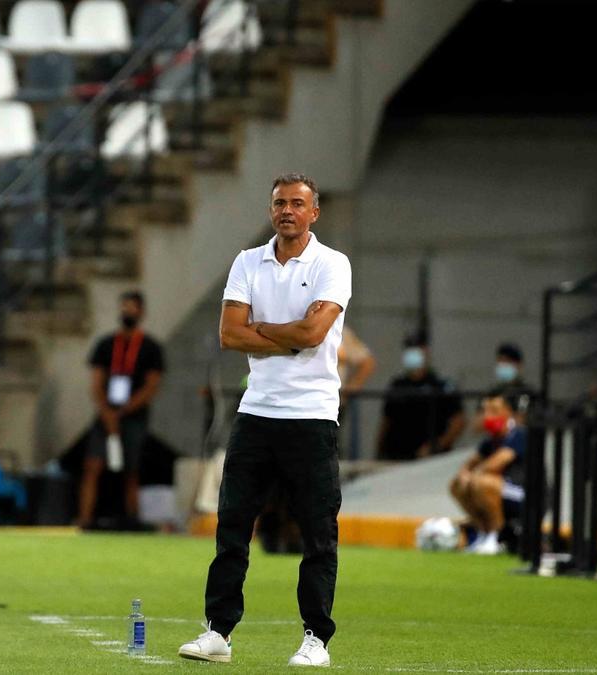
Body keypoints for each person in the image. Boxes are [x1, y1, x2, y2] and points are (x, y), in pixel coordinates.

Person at [178, 173, 350, 667]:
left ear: (314, 212)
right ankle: (218, 633)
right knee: (232, 525)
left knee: (318, 533)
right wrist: (286, 334)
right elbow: (229, 336)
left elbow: (315, 333)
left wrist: (262, 328)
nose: (287, 211)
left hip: (313, 415)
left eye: (297, 203)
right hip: (256, 412)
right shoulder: (247, 261)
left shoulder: (332, 264)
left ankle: (316, 639)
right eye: (279, 203)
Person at [76, 291, 164, 529]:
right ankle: (85, 519)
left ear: (142, 312)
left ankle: (132, 518)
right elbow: (96, 383)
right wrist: (107, 413)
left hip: (133, 416)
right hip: (106, 415)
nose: (127, 312)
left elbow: (151, 387)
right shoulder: (106, 344)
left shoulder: (150, 348)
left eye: (132, 307)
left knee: (132, 470)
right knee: (92, 465)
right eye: (124, 307)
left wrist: (124, 411)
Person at [448, 389, 526, 556]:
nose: (488, 416)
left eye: (494, 411)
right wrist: (464, 474)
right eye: (485, 411)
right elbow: (470, 463)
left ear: (509, 412)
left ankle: (496, 536)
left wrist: (473, 476)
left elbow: (497, 462)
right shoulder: (490, 441)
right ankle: (482, 533)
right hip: (500, 490)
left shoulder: (518, 435)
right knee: (457, 485)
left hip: (524, 493)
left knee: (482, 482)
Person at [377, 334, 465, 460]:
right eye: (409, 349)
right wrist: (379, 451)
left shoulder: (441, 386)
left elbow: (458, 421)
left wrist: (437, 446)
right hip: (397, 457)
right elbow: (386, 421)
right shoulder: (397, 385)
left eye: (417, 348)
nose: (412, 353)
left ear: (426, 352)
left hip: (429, 459)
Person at [492, 342, 534, 421]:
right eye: (500, 361)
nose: (503, 365)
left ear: (519, 365)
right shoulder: (493, 392)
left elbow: (521, 419)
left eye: (507, 362)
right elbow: (478, 424)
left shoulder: (526, 393)